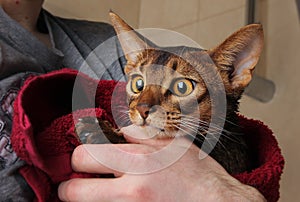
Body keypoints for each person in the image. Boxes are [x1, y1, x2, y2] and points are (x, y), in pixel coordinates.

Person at [0, 0, 278, 201]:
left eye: (181, 87)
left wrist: (219, 192)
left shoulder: (105, 43)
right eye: (139, 85)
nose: (145, 105)